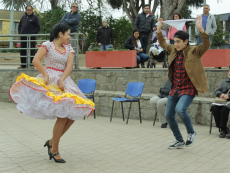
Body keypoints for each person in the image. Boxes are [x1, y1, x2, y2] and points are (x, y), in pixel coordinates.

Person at [9, 22, 95, 163]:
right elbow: (36, 60)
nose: (69, 37)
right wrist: (45, 74)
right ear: (60, 34)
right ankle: (54, 150)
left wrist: (62, 79)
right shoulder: (47, 45)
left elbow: (69, 66)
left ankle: (51, 142)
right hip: (50, 81)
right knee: (62, 116)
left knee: (72, 115)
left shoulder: (69, 48)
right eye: (68, 34)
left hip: (64, 81)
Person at [156, 15, 210, 149]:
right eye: (174, 41)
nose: (176, 44)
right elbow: (163, 43)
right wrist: (159, 30)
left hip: (188, 88)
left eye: (179, 41)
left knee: (180, 110)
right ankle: (179, 140)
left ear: (186, 41)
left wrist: (201, 30)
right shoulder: (173, 50)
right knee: (168, 115)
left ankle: (191, 132)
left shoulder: (195, 51)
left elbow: (206, 44)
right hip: (176, 88)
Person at [211, 69, 230, 138]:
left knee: (225, 109)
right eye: (229, 71)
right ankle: (225, 128)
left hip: (229, 102)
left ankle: (222, 130)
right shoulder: (224, 82)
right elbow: (217, 91)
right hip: (222, 101)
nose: (229, 73)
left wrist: (228, 96)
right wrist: (220, 94)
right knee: (214, 108)